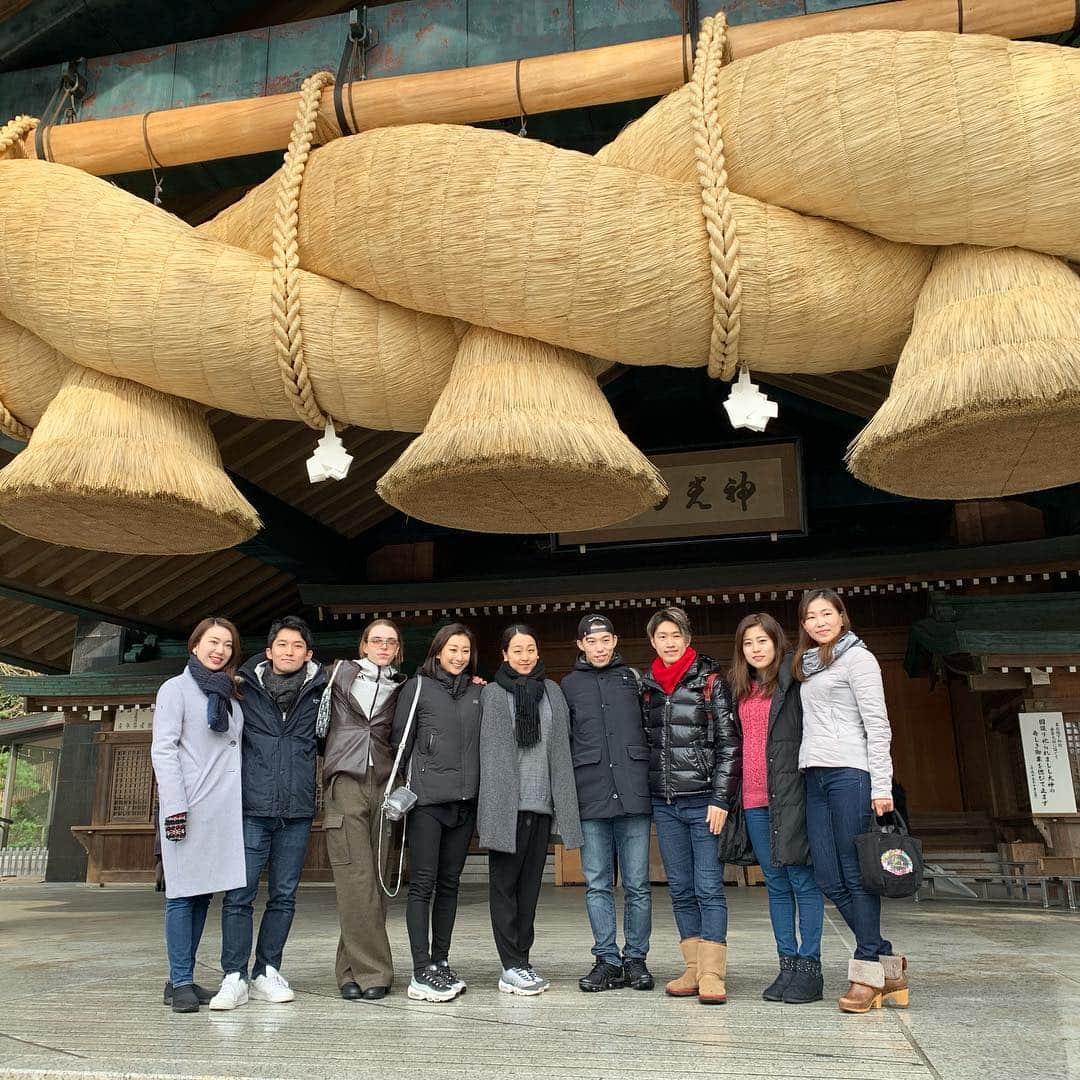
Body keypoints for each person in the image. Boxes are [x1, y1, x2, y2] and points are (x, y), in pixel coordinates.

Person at [795, 588, 909, 1013]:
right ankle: (886, 959)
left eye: (826, 613)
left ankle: (867, 971)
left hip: (850, 774)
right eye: (810, 616)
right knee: (827, 874)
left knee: (855, 872)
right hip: (815, 775)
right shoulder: (808, 664)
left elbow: (877, 724)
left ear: (842, 616)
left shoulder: (859, 658)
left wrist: (882, 785)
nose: (819, 622)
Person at [212, 616, 328, 1010]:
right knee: (239, 894)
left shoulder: (322, 691)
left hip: (296, 809)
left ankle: (266, 969)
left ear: (308, 654)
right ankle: (233, 974)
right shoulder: (242, 688)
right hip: (251, 806)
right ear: (269, 651)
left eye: (297, 646)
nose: (289, 652)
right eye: (282, 645)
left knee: (283, 895)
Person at [641, 606, 739, 1005]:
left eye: (675, 635)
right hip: (665, 803)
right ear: (653, 641)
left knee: (708, 886)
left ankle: (713, 971)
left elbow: (730, 744)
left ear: (687, 638)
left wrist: (720, 797)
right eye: (662, 636)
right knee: (680, 887)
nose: (669, 642)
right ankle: (693, 967)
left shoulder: (710, 682)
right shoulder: (647, 686)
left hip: (702, 801)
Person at [478, 623, 583, 995]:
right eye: (517, 650)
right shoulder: (490, 694)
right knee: (504, 888)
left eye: (530, 649)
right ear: (504, 655)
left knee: (529, 889)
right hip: (504, 806)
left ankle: (523, 959)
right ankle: (510, 965)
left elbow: (562, 747)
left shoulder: (552, 691)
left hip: (541, 805)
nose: (525, 656)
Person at [727, 612, 824, 1004]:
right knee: (777, 885)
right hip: (752, 800)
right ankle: (787, 964)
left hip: (789, 797)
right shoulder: (741, 688)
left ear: (777, 642)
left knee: (803, 881)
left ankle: (810, 967)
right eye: (748, 644)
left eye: (762, 641)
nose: (756, 649)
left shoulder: (795, 682)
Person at [151, 617, 245, 1014]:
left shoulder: (229, 693)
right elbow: (164, 749)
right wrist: (175, 808)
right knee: (181, 894)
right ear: (194, 645)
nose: (219, 649)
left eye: (226, 644)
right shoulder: (175, 689)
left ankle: (180, 979)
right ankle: (182, 978)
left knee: (204, 894)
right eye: (212, 642)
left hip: (223, 809)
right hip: (187, 806)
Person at [391, 623, 483, 1003]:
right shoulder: (417, 688)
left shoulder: (479, 691)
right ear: (437, 651)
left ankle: (441, 960)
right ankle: (419, 968)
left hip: (465, 802)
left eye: (464, 650)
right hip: (427, 802)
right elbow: (401, 740)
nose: (458, 657)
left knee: (450, 885)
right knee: (424, 885)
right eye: (452, 650)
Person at [561, 613, 654, 993]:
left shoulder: (633, 680)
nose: (598, 647)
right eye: (590, 641)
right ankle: (606, 959)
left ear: (614, 641)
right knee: (597, 884)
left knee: (637, 884)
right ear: (581, 645)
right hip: (591, 793)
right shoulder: (567, 685)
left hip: (632, 791)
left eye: (605, 640)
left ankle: (636, 959)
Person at [319, 618, 407, 1000]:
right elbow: (282, 667)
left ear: (398, 648)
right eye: (377, 640)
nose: (383, 646)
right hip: (346, 781)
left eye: (390, 641)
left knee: (376, 880)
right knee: (355, 878)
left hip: (385, 784)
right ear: (363, 645)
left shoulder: (404, 688)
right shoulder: (335, 674)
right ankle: (375, 973)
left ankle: (347, 971)